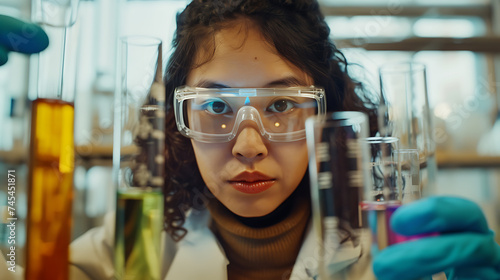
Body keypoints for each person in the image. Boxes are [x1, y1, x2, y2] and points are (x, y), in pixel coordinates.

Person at [1, 1, 499, 280]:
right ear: (178, 121)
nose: (248, 146)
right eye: (215, 106)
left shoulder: (397, 258)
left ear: (329, 116)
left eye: (281, 105)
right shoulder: (130, 252)